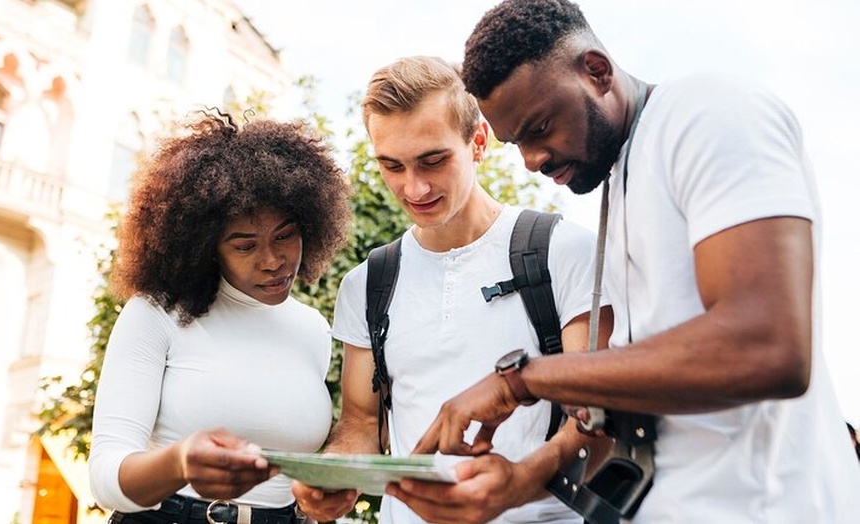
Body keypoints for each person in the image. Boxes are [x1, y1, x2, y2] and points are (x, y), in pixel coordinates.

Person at [388, 1, 860, 523]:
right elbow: (632, 403)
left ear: (597, 70)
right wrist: (520, 481)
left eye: (540, 127)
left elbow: (768, 346)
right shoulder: (619, 184)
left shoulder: (709, 111)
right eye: (517, 142)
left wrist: (521, 380)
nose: (531, 159)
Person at [291, 56, 612, 523]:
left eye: (432, 160)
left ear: (478, 141)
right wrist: (338, 472)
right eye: (392, 165)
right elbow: (361, 423)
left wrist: (519, 483)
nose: (413, 187)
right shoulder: (367, 284)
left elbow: (601, 415)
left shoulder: (563, 252)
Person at [88, 111, 352, 523]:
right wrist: (178, 464)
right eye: (245, 246)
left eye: (285, 236)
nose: (273, 261)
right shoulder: (156, 314)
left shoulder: (314, 329)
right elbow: (105, 478)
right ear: (205, 246)